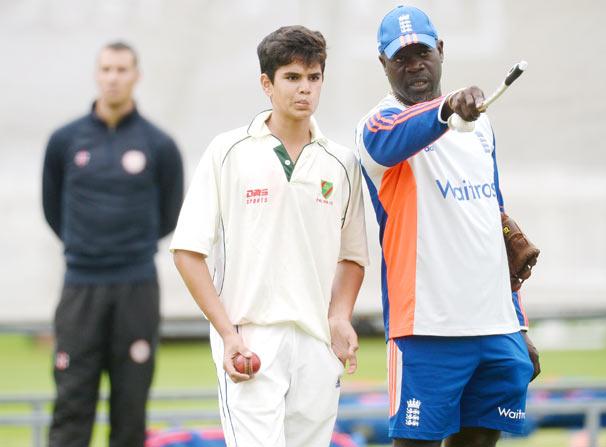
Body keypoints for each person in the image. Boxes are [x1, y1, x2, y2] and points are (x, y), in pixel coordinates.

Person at [170, 25, 368, 447]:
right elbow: (188, 251)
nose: (305, 89)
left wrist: (339, 316)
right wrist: (227, 334)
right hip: (251, 338)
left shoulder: (341, 162)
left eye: (313, 78)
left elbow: (352, 255)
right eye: (292, 78)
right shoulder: (228, 151)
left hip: (316, 343)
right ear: (267, 83)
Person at [355, 6, 541, 447]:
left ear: (440, 50)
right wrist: (446, 109)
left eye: (422, 52)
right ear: (383, 64)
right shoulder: (378, 125)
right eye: (400, 58)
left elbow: (495, 225)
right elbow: (390, 136)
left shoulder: (482, 127)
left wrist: (519, 323)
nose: (414, 65)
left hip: (495, 326)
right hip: (426, 329)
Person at [41, 41, 184, 447]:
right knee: (72, 401)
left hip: (135, 286)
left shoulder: (159, 144)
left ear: (136, 76)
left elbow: (169, 214)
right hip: (80, 288)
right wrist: (88, 248)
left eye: (122, 70)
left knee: (130, 406)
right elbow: (53, 209)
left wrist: (126, 249)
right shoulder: (64, 141)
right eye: (106, 69)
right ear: (96, 74)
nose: (113, 78)